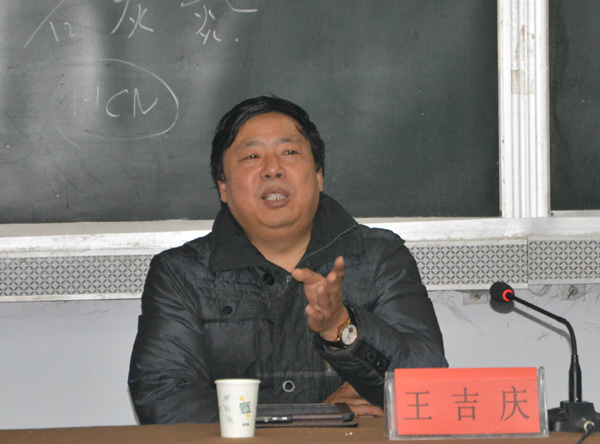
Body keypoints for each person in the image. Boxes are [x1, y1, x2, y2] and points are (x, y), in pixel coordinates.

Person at [128, 96, 447, 424]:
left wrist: (341, 326)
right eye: (252, 156)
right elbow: (163, 399)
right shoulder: (181, 274)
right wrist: (312, 420)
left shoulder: (379, 257)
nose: (272, 169)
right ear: (223, 187)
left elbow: (426, 381)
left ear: (318, 175)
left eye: (289, 152)